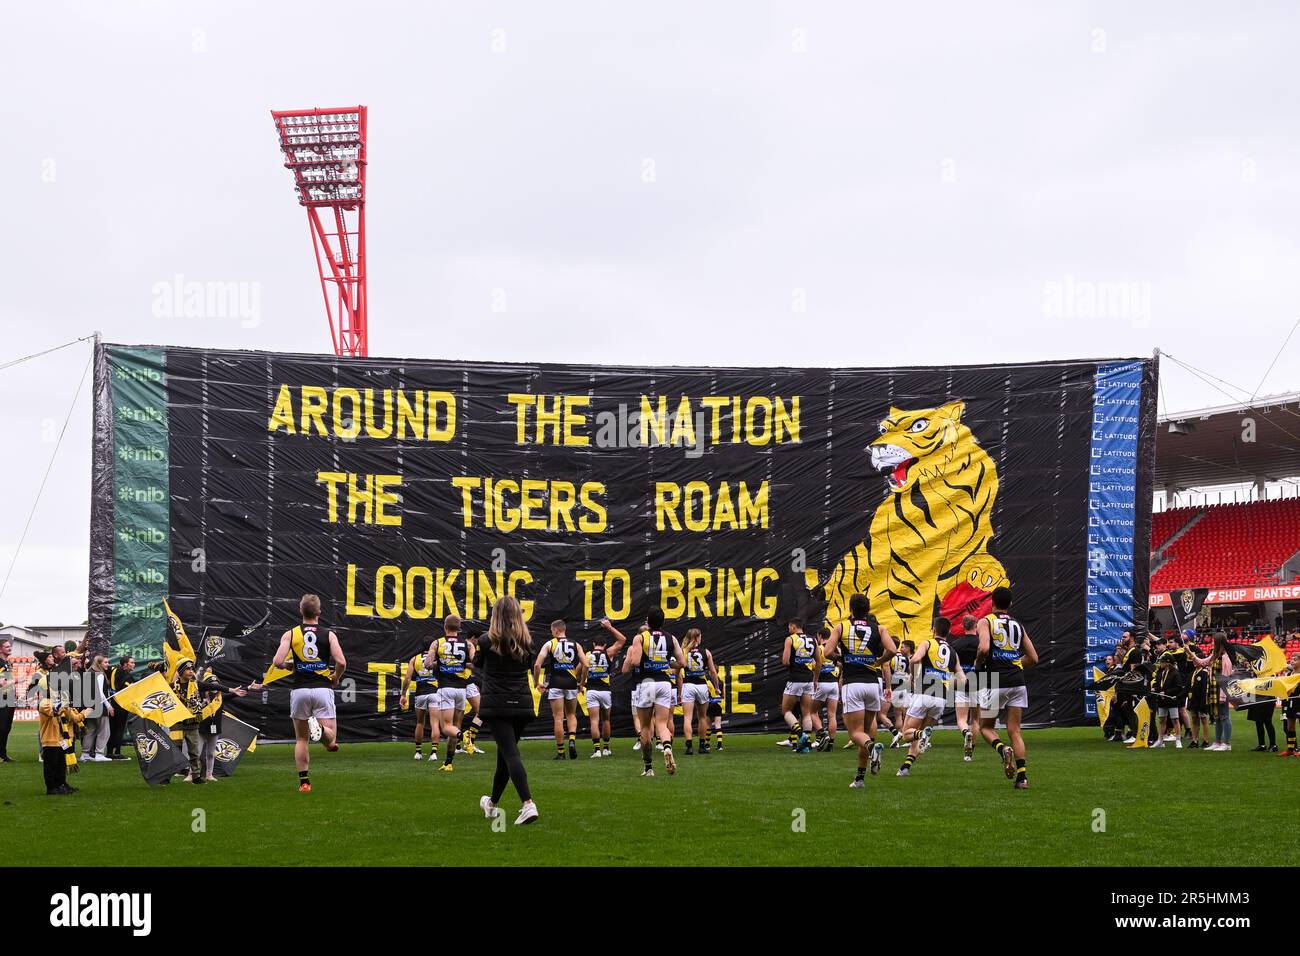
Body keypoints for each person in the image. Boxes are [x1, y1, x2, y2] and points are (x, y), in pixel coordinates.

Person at [271, 593, 346, 791]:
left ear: (300, 611)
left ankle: (304, 782)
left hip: (300, 690)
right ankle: (321, 732)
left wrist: (291, 666)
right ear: (319, 613)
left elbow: (277, 661)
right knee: (331, 738)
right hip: (322, 688)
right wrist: (336, 678)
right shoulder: (329, 634)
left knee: (301, 739)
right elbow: (341, 662)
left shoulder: (291, 633)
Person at [475, 595, 539, 825]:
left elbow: (477, 663)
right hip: (521, 705)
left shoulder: (485, 640)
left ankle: (527, 803)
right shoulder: (527, 641)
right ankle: (491, 804)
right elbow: (533, 665)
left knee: (510, 754)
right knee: (505, 756)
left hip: (497, 705)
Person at [823, 592, 897, 789]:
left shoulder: (841, 626)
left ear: (850, 609)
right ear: (868, 610)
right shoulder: (878, 628)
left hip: (853, 684)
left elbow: (827, 652)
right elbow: (892, 650)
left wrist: (841, 659)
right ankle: (860, 778)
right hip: (873, 684)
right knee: (867, 729)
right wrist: (879, 661)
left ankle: (873, 748)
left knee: (856, 732)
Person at [975, 586, 1038, 790]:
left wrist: (978, 663)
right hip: (1017, 681)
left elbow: (984, 648)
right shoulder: (1018, 626)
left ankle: (1002, 750)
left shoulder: (985, 621)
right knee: (1015, 731)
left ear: (991, 602)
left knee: (985, 727)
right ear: (1010, 604)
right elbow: (1033, 658)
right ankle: (1022, 778)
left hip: (995, 679)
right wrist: (1016, 663)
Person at [614, 608, 683, 777]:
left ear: (648, 621)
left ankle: (648, 767)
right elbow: (681, 662)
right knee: (662, 723)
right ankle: (667, 747)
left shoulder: (640, 637)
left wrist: (632, 659)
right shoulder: (671, 638)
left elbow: (636, 662)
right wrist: (665, 662)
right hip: (664, 683)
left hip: (646, 683)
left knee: (645, 726)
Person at [897, 617, 961, 776]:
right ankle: (905, 767)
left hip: (924, 692)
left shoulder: (928, 643)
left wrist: (913, 677)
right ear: (949, 631)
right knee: (919, 733)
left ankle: (923, 735)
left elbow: (915, 659)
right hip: (941, 698)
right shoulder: (953, 652)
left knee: (907, 734)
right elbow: (963, 678)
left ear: (934, 629)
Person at [534, 619, 587, 761]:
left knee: (558, 717)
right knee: (571, 714)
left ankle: (561, 752)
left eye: (552, 630)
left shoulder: (550, 643)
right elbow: (586, 665)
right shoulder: (576, 644)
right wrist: (581, 683)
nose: (551, 633)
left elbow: (537, 666)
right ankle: (572, 739)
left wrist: (536, 683)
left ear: (556, 630)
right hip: (571, 683)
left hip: (556, 683)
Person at [433, 617, 476, 771]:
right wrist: (461, 664)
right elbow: (475, 663)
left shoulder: (437, 642)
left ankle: (463, 736)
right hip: (462, 690)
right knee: (455, 727)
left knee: (447, 728)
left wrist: (442, 662)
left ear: (445, 627)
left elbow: (427, 664)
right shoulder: (468, 643)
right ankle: (448, 762)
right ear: (459, 628)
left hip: (446, 688)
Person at [586, 620, 627, 757]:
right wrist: (609, 627)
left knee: (594, 720)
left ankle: (597, 750)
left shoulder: (588, 655)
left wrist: (580, 683)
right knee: (606, 720)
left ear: (593, 644)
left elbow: (579, 670)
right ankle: (606, 748)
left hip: (591, 690)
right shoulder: (608, 652)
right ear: (604, 645)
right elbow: (622, 640)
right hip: (605, 691)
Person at [678, 629, 721, 755]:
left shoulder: (683, 652)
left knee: (687, 718)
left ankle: (689, 746)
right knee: (702, 717)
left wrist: (680, 692)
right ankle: (702, 746)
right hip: (702, 686)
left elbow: (677, 674)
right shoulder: (706, 652)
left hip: (688, 685)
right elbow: (713, 672)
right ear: (697, 638)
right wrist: (717, 687)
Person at [779, 619, 819, 752]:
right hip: (808, 679)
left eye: (789, 626)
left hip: (795, 678)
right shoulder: (813, 639)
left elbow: (785, 661)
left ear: (793, 626)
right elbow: (818, 662)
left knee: (786, 711)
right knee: (806, 713)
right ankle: (806, 745)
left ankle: (801, 735)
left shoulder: (790, 639)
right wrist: (815, 678)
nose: (788, 629)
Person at [398, 640, 441, 763]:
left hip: (420, 694)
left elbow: (407, 678)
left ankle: (418, 752)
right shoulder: (437, 658)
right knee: (434, 723)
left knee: (420, 723)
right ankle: (433, 753)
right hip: (434, 692)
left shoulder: (414, 658)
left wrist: (403, 694)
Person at [1191, 633, 1234, 752]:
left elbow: (1226, 677)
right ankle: (1218, 742)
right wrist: (1190, 653)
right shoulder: (1215, 656)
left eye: (1214, 641)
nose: (1212, 643)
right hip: (1214, 690)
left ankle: (1227, 743)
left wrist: (1223, 694)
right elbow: (1202, 662)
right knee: (1218, 717)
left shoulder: (1225, 657)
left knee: (1225, 716)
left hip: (1221, 690)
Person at [38, 691, 85, 795]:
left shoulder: (60, 702)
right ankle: (51, 787)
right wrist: (64, 704)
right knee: (51, 765)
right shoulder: (44, 703)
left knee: (61, 764)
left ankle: (60, 784)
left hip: (61, 739)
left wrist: (71, 708)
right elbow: (54, 711)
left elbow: (70, 718)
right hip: (50, 739)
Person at [950, 617, 980, 760]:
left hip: (961, 683)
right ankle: (970, 753)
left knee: (961, 719)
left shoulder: (956, 644)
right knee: (976, 719)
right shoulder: (982, 642)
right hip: (980, 683)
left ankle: (965, 732)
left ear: (963, 626)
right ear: (976, 625)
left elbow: (951, 666)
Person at [811, 627, 841, 752]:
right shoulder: (836, 648)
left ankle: (822, 733)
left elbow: (815, 665)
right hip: (834, 684)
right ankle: (831, 744)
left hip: (822, 683)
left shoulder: (819, 648)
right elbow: (840, 664)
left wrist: (815, 679)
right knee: (832, 715)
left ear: (819, 636)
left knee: (811, 712)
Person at [80, 655, 114, 762]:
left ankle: (85, 754)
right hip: (99, 705)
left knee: (90, 730)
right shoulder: (99, 675)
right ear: (99, 664)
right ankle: (99, 753)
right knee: (104, 730)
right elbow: (100, 692)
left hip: (89, 705)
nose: (107, 664)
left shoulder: (88, 673)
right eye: (105, 662)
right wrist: (108, 706)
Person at [1148, 653, 1184, 749]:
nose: (1161, 663)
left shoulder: (1175, 673)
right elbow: (1156, 682)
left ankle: (1178, 740)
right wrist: (1154, 688)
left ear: (1168, 663)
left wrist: (1166, 692)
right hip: (1161, 700)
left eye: (1162, 662)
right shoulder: (1160, 672)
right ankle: (1160, 740)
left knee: (1175, 720)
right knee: (1161, 720)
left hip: (1171, 700)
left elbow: (1178, 687)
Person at [104, 656, 135, 759]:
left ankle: (109, 752)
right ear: (125, 664)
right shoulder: (127, 676)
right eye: (131, 662)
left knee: (112, 728)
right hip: (120, 705)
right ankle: (117, 753)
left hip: (110, 704)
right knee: (119, 729)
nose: (134, 664)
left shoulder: (113, 669)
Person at [1280, 653, 1300, 757]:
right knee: (1290, 725)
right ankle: (1290, 749)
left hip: (1299, 702)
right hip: (1291, 701)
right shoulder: (1289, 674)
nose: (1292, 661)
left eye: (1295, 659)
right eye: (1291, 659)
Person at [0, 639, 15, 761]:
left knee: (7, 728)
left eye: (10, 646)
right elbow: (1, 683)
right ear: (0, 649)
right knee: (2, 727)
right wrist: (16, 681)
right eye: (6, 647)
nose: (9, 648)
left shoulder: (7, 663)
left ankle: (3, 754)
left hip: (9, 698)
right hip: (2, 698)